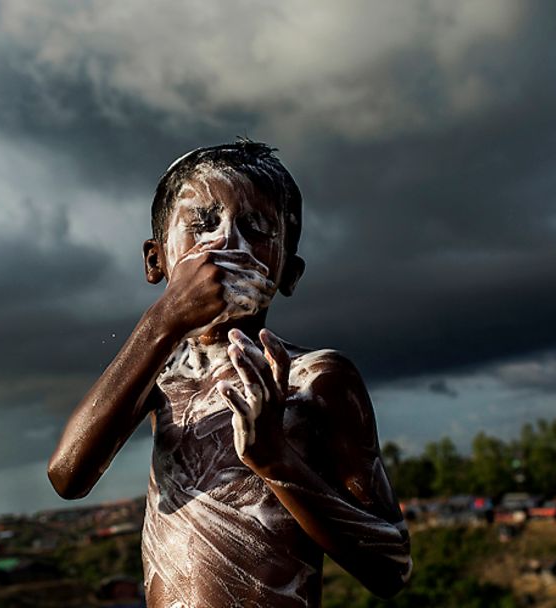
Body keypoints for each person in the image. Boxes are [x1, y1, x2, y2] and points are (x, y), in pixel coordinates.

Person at [48, 141, 412, 607]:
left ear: (289, 274)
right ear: (155, 261)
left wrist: (276, 459)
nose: (224, 242)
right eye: (202, 224)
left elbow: (392, 568)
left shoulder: (315, 379)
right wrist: (164, 319)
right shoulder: (161, 375)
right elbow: (68, 476)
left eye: (256, 228)